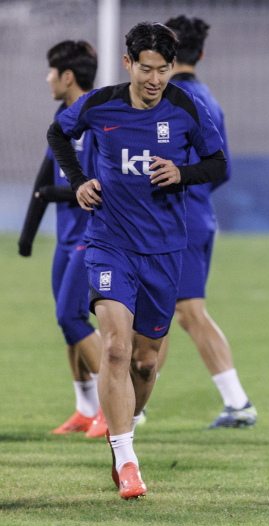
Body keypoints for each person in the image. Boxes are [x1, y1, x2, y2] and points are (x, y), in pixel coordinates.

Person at [47, 22, 227, 499]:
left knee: (144, 364)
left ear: (171, 68)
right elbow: (57, 134)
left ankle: (122, 434)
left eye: (162, 70)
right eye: (145, 69)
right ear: (128, 64)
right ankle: (127, 461)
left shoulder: (186, 106)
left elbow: (219, 163)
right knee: (114, 349)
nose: (154, 79)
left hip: (164, 251)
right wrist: (79, 178)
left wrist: (182, 172)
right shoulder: (101, 104)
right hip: (109, 243)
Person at [150, 14, 256, 429]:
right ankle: (135, 408)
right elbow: (222, 168)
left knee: (187, 312)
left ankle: (238, 402)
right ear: (203, 52)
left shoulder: (170, 101)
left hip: (177, 223)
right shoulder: (207, 98)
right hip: (196, 217)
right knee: (165, 312)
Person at [19, 40, 107, 439]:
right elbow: (45, 174)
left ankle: (118, 403)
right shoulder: (63, 117)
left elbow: (99, 184)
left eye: (52, 72)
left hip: (90, 235)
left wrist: (52, 195)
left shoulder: (99, 116)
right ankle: (85, 408)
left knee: (70, 316)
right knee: (69, 322)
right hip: (65, 236)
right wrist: (28, 233)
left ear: (67, 76)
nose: (47, 78)